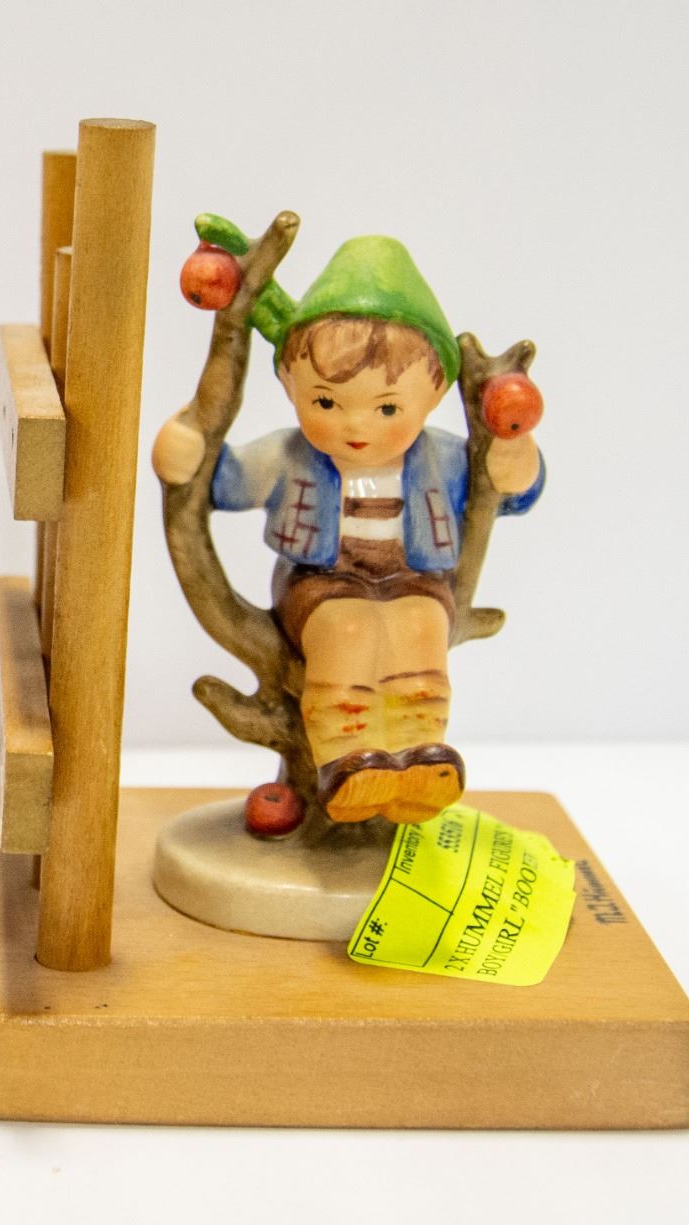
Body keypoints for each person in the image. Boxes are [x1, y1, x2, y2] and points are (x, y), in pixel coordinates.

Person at [153, 237, 544, 823]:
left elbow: (508, 492)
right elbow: (225, 482)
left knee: (422, 629)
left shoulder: (439, 460)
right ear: (290, 384)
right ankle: (345, 760)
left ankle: (419, 757)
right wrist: (185, 443)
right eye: (326, 403)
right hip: (321, 582)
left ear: (434, 396)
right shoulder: (290, 456)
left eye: (386, 408)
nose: (356, 425)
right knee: (347, 630)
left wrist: (513, 452)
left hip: (414, 578)